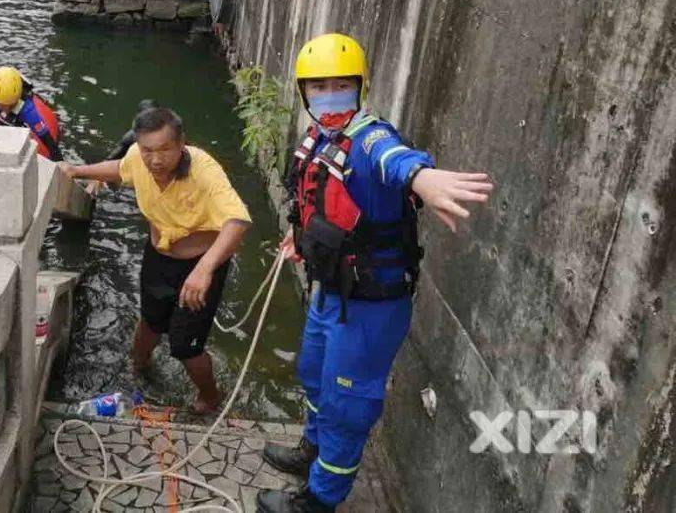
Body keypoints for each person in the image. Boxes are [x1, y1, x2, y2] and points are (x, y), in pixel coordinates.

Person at [256, 34, 493, 513]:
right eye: (318, 86)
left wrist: (423, 177)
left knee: (348, 408)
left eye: (341, 85)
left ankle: (319, 501)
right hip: (332, 293)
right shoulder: (320, 139)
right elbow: (320, 206)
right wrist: (298, 239)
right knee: (313, 376)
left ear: (360, 87)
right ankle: (312, 450)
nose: (330, 95)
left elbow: (396, 160)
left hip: (370, 308)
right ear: (305, 92)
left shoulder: (369, 138)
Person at [59, 108, 252, 413]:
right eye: (148, 150)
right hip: (158, 257)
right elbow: (121, 169)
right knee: (149, 320)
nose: (155, 160)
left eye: (164, 150)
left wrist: (204, 270)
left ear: (181, 144)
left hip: (200, 265)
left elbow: (237, 220)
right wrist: (77, 170)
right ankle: (138, 368)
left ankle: (210, 397)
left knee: (185, 345)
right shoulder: (138, 157)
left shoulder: (204, 171)